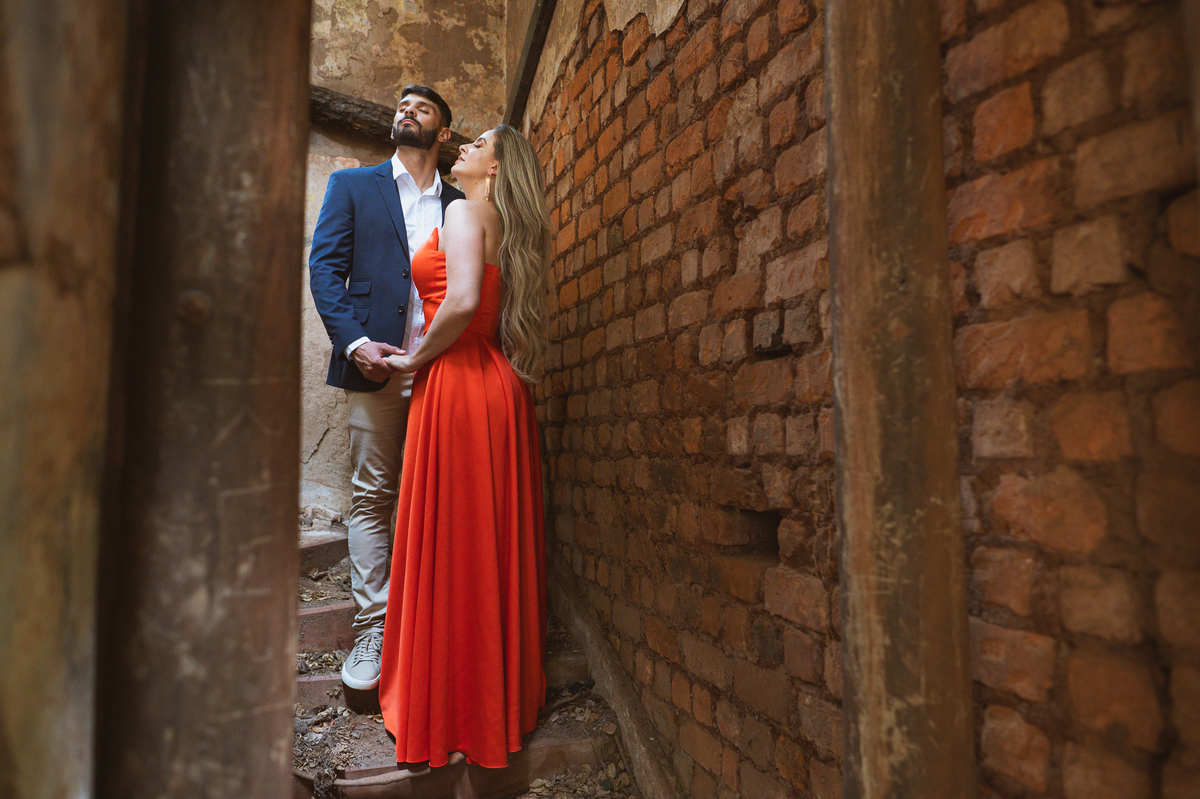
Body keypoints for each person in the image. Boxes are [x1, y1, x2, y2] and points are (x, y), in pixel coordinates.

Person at [377, 124, 550, 769]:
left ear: (496, 168)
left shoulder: (463, 207)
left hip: (457, 380)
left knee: (453, 542)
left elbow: (463, 300)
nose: (466, 149)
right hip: (496, 386)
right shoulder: (506, 223)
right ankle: (489, 703)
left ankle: (446, 706)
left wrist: (413, 359)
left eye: (479, 145)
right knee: (484, 543)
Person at [308, 85, 465, 692]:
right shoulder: (353, 186)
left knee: (440, 493)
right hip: (375, 365)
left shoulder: (460, 202)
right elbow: (325, 270)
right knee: (374, 493)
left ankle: (436, 621)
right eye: (402, 105)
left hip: (443, 371)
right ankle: (375, 623)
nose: (407, 112)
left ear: (443, 133)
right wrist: (355, 344)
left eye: (422, 109)